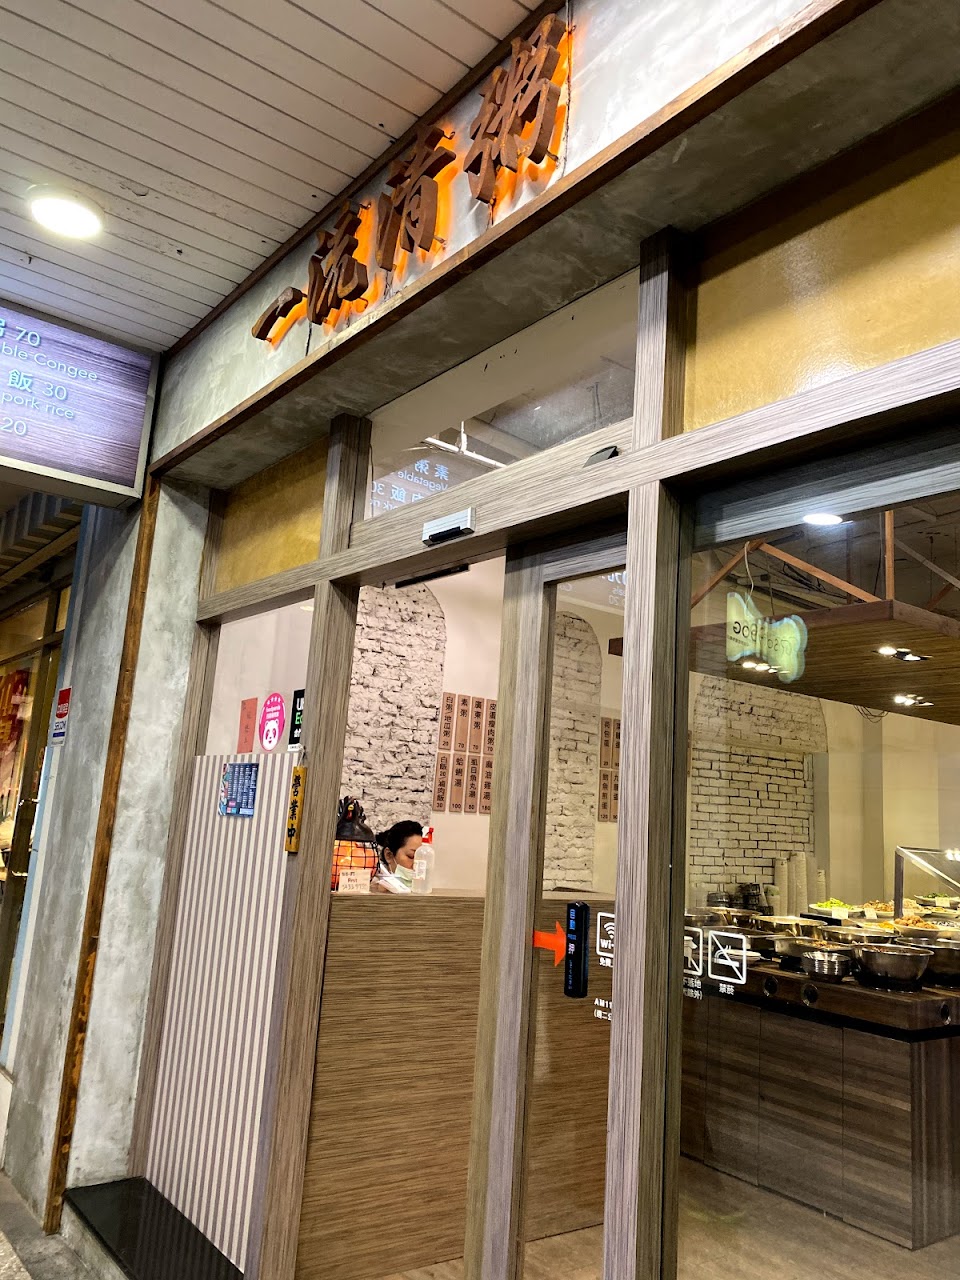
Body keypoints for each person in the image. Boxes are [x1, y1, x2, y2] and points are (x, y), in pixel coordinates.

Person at [370, 821, 423, 894]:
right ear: (389, 855)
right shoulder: (370, 886)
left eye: (421, 859)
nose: (416, 865)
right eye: (411, 856)